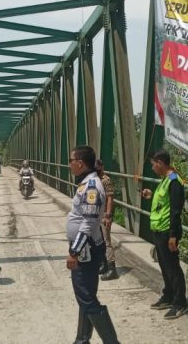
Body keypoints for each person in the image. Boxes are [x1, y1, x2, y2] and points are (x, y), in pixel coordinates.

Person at [67, 145, 119, 344]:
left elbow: (88, 224)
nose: (69, 165)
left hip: (85, 248)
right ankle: (82, 340)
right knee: (86, 295)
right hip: (85, 246)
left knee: (86, 297)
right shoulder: (86, 183)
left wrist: (74, 251)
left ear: (80, 163)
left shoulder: (91, 187)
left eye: (71, 161)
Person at [142, 149, 188, 319]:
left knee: (173, 268)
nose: (152, 168)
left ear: (160, 162)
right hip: (159, 230)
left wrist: (173, 236)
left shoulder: (175, 182)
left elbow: (176, 211)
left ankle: (180, 303)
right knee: (164, 266)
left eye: (153, 164)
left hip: (168, 232)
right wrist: (150, 195)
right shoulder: (165, 180)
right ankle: (168, 295)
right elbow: (164, 203)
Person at [96, 159, 119, 281]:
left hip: (105, 214)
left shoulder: (106, 180)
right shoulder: (95, 180)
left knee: (106, 241)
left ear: (101, 167)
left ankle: (112, 269)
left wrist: (108, 215)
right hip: (97, 214)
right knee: (99, 241)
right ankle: (104, 264)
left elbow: (110, 198)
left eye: (97, 167)